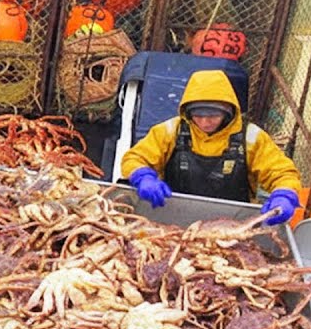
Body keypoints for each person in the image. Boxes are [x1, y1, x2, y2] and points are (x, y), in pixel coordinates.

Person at [120, 69, 301, 224]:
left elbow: (281, 172)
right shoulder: (170, 131)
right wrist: (143, 176)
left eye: (213, 116)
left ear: (228, 111)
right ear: (188, 112)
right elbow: (135, 158)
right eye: (198, 115)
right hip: (170, 216)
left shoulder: (251, 137)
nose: (205, 122)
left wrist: (284, 194)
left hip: (233, 223)